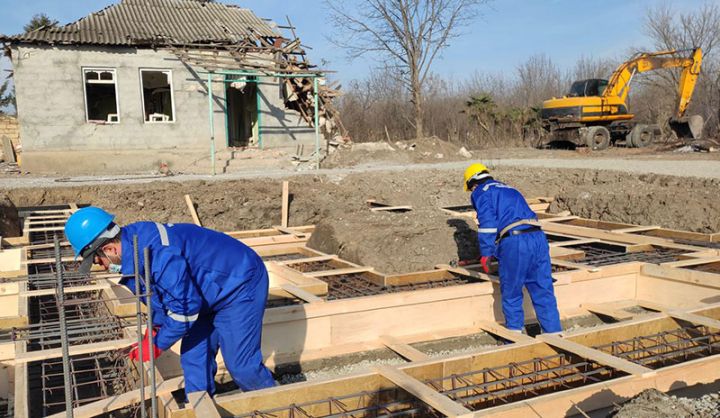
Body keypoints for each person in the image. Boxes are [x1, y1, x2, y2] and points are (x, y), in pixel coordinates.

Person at [64, 207, 276, 396]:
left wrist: (157, 345)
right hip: (202, 292)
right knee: (194, 359)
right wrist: (154, 331)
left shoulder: (158, 254)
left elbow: (184, 310)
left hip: (239, 283)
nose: (100, 265)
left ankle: (276, 406)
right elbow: (160, 299)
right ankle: (199, 408)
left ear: (109, 248)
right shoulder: (135, 251)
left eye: (97, 260)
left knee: (241, 365)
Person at [464, 163, 562, 334]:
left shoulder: (481, 191)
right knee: (543, 288)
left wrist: (486, 253)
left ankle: (514, 336)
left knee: (511, 290)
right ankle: (555, 335)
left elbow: (487, 225)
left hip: (516, 242)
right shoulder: (509, 188)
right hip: (538, 237)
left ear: (473, 183)